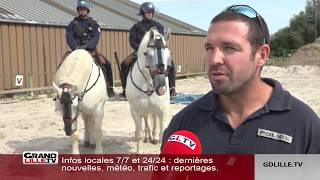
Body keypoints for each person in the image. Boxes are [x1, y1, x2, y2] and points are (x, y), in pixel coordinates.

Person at [162, 5, 320, 154]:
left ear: (262, 55)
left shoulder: (304, 126)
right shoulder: (183, 125)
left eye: (229, 48)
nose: (215, 59)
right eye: (209, 48)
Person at [119, 2, 177, 98]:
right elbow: (132, 41)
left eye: (151, 12)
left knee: (171, 63)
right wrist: (140, 49)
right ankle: (125, 90)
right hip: (140, 52)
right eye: (148, 12)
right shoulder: (136, 27)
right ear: (143, 13)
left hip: (157, 52)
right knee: (124, 64)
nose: (150, 14)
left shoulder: (159, 27)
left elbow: (162, 40)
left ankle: (172, 88)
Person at [66, 0, 115, 97]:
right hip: (76, 51)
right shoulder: (72, 24)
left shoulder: (94, 24)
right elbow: (69, 37)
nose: (82, 11)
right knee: (63, 63)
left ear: (87, 10)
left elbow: (96, 37)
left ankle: (110, 88)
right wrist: (76, 47)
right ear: (78, 10)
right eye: (80, 9)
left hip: (90, 50)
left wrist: (88, 46)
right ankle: (63, 89)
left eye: (84, 9)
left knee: (107, 64)